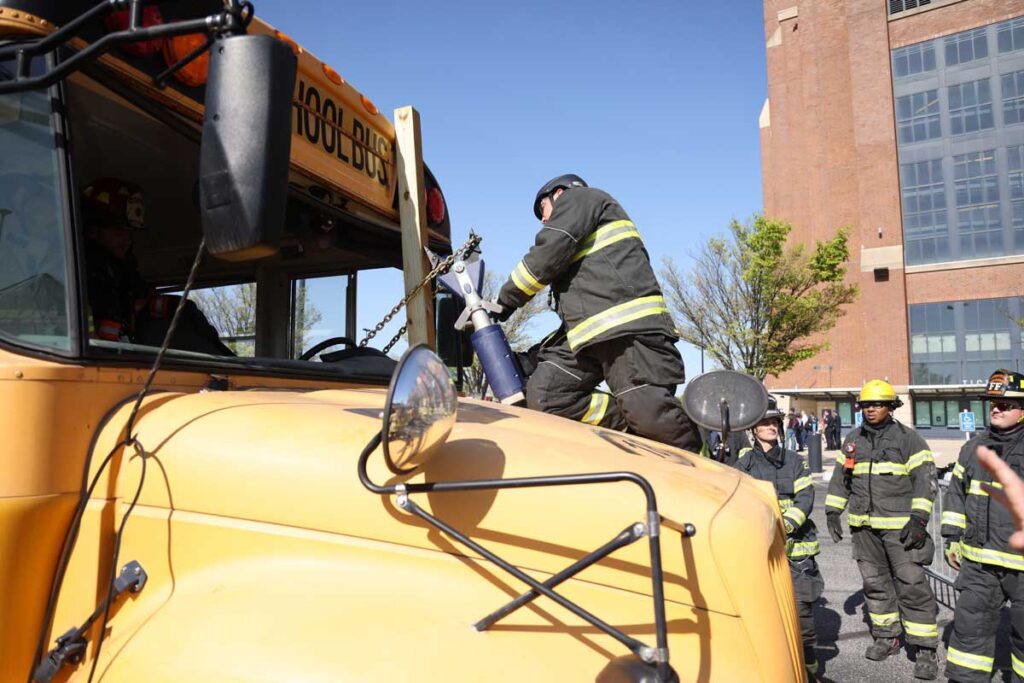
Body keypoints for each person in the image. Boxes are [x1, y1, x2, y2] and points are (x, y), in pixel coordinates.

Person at [494, 174, 699, 451]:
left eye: (541, 210)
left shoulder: (581, 198)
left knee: (648, 412)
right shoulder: (586, 278)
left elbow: (548, 252)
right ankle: (630, 426)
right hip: (590, 338)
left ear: (557, 193)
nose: (543, 221)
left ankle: (704, 463)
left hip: (629, 329)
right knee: (547, 397)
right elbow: (576, 320)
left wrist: (502, 302)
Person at [824, 379, 939, 679]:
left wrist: (919, 519)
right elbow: (840, 479)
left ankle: (925, 648)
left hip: (900, 529)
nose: (870, 410)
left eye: (876, 404)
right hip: (864, 528)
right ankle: (887, 637)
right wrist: (833, 510)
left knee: (912, 584)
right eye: (865, 405)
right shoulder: (853, 440)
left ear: (891, 407)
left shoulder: (908, 440)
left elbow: (926, 481)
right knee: (875, 584)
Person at [82, 178, 232, 355]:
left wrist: (178, 308)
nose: (127, 241)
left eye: (129, 234)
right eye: (118, 232)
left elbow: (141, 300)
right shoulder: (79, 276)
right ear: (92, 231)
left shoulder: (122, 273)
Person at [940, 369, 1024, 683]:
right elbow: (956, 495)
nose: (996, 409)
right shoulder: (972, 449)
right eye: (992, 403)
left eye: (1005, 403)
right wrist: (952, 537)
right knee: (969, 633)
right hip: (978, 563)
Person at [733, 395, 823, 679]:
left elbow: (806, 497)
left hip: (796, 553)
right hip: (760, 553)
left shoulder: (795, 461)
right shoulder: (743, 464)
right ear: (753, 430)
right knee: (762, 617)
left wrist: (784, 526)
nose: (772, 426)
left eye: (775, 422)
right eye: (765, 422)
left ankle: (811, 673)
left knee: (802, 620)